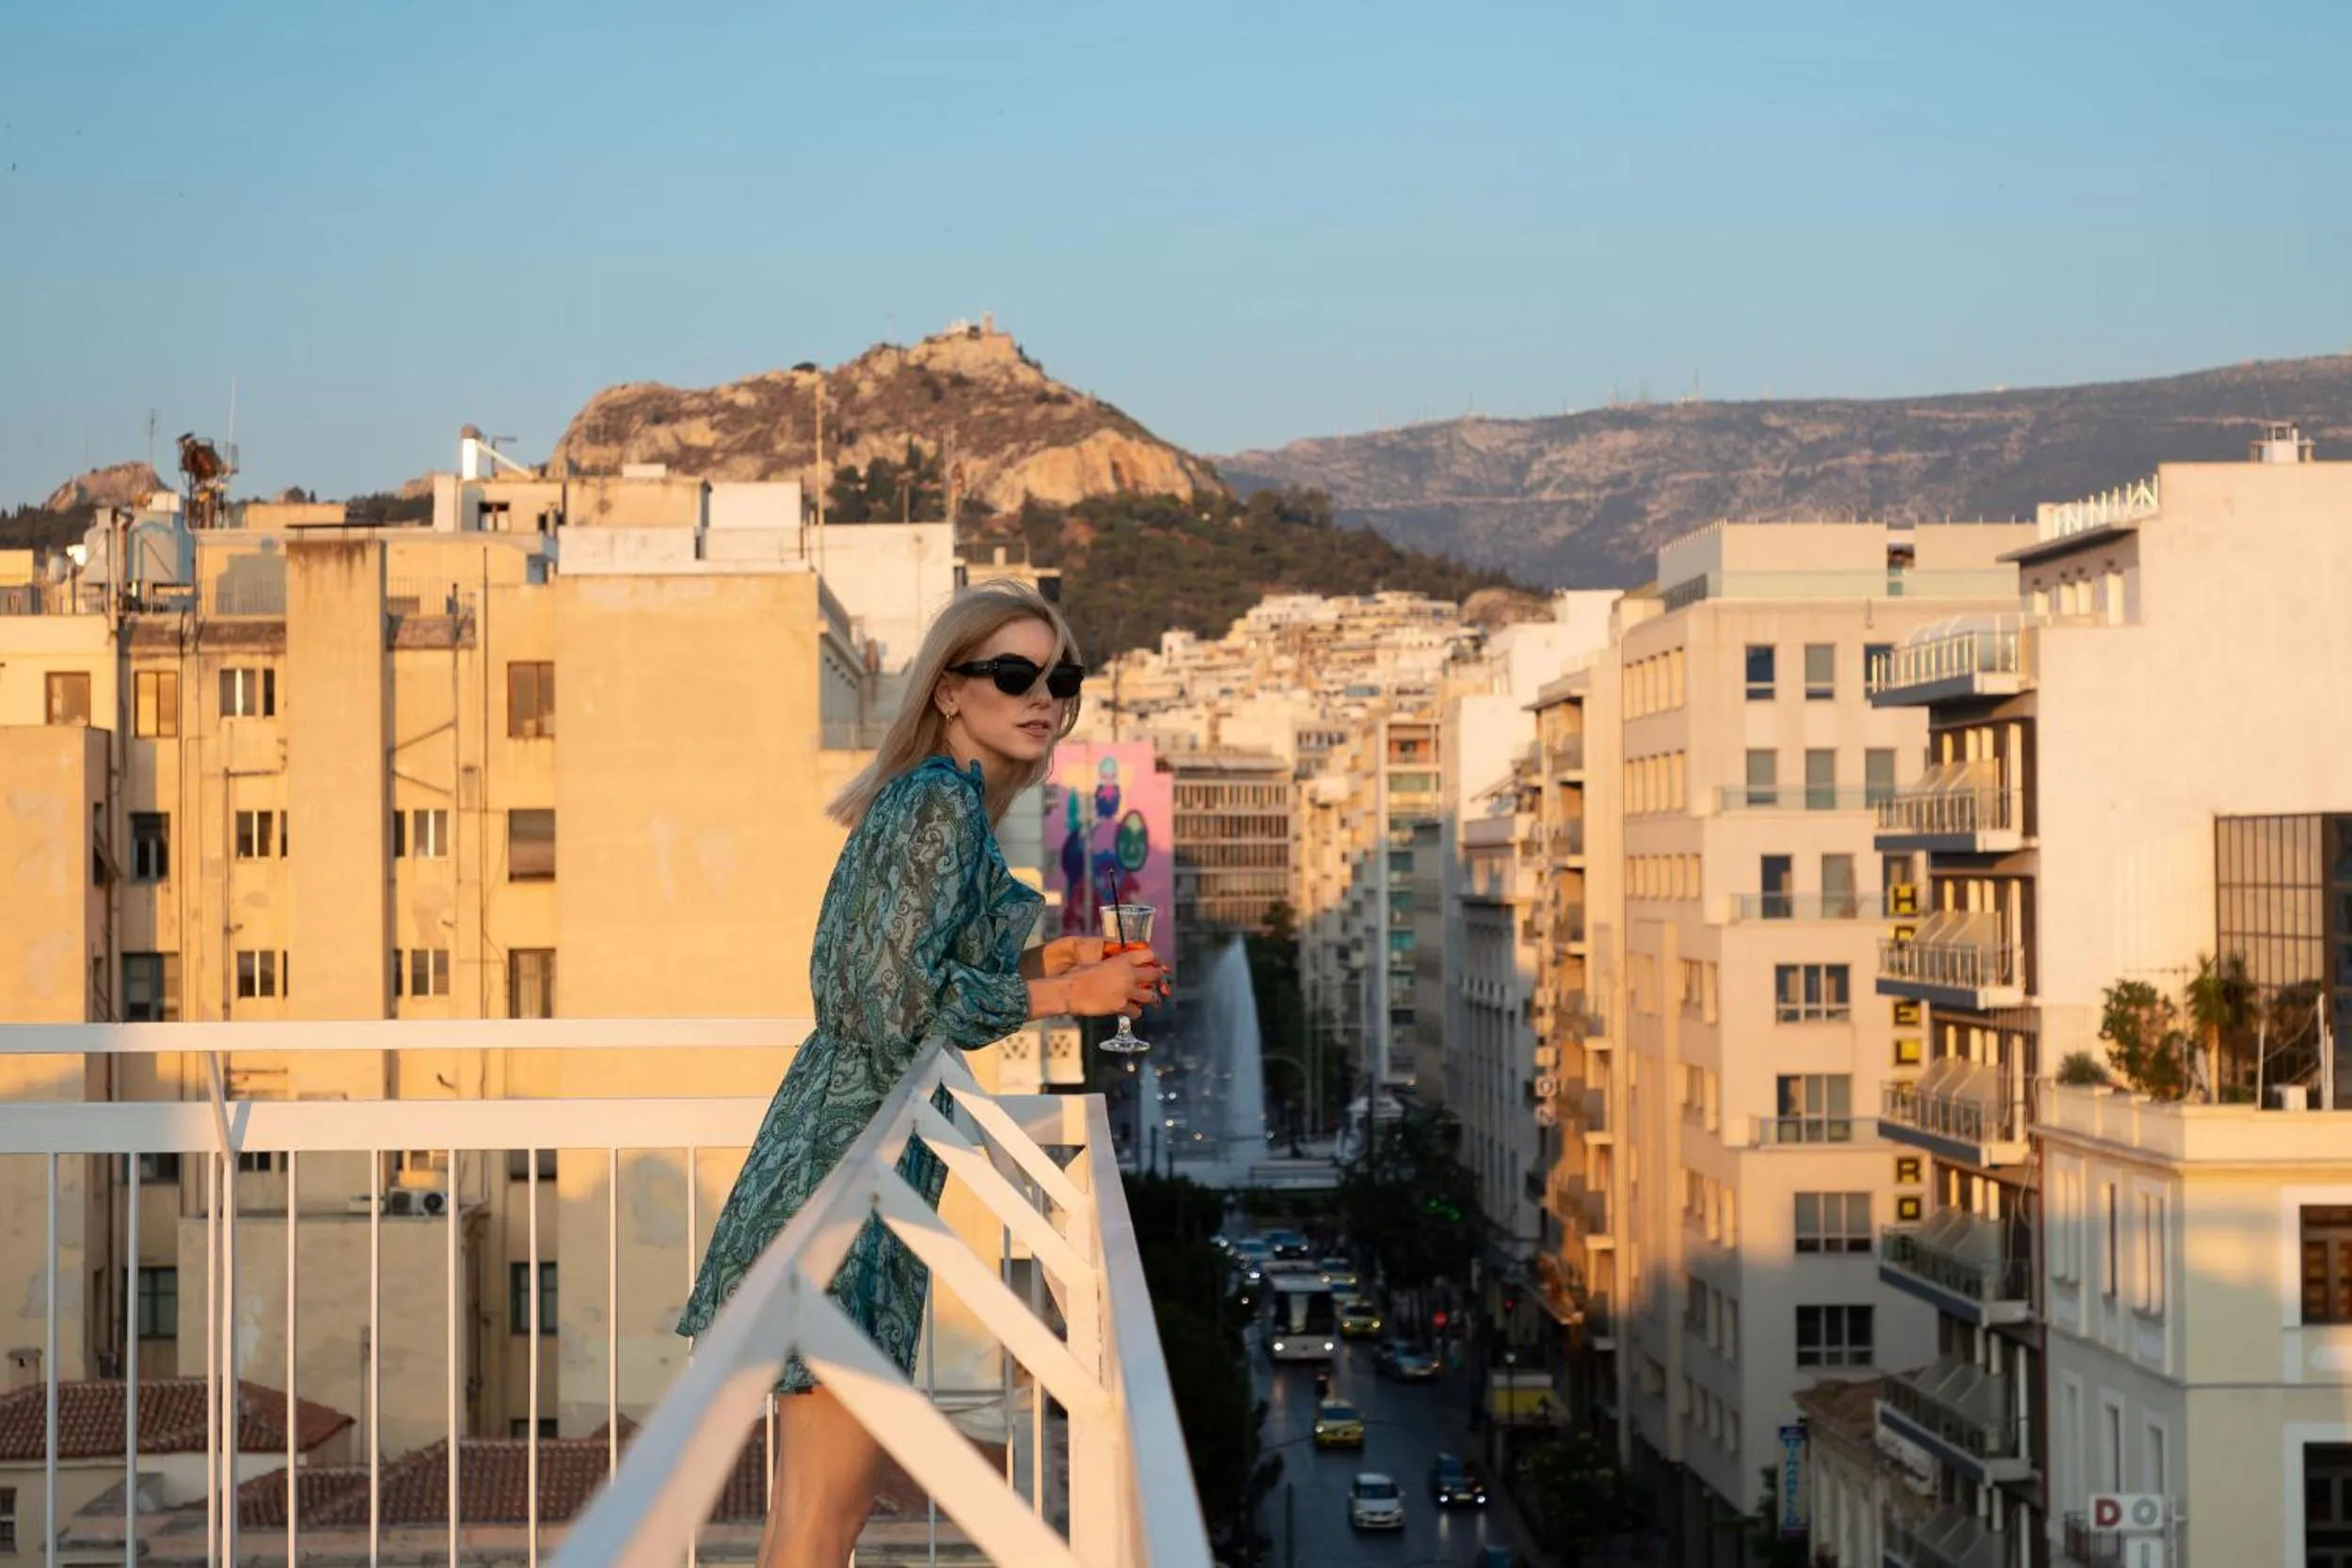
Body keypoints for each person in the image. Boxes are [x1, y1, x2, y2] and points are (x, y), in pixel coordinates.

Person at [675, 580, 1167, 1568]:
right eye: (1014, 674)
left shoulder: (950, 806)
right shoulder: (937, 802)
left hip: (856, 1162)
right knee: (825, 1516)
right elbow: (888, 1003)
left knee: (816, 1512)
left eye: (1059, 678)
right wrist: (1069, 997)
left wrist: (1048, 966)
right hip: (846, 1171)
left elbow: (922, 980)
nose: (1044, 698)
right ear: (949, 689)